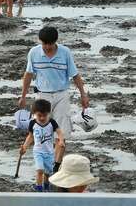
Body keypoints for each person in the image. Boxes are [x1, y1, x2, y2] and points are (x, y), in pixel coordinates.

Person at [18, 27, 90, 174]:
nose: (47, 47)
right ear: (40, 42)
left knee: (61, 133)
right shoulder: (34, 53)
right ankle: (46, 164)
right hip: (42, 96)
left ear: (55, 42)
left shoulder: (65, 52)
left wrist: (83, 95)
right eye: (44, 44)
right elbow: (28, 75)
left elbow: (75, 75)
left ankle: (56, 167)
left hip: (61, 95)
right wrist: (23, 96)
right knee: (40, 132)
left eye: (50, 44)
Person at [19, 99, 65, 192]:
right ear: (34, 113)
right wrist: (24, 147)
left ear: (49, 113)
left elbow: (59, 132)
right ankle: (39, 189)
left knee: (48, 173)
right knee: (40, 170)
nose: (42, 118)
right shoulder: (33, 123)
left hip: (49, 152)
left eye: (45, 115)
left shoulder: (52, 122)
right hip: (38, 152)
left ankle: (46, 186)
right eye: (39, 115)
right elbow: (30, 137)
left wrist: (61, 141)